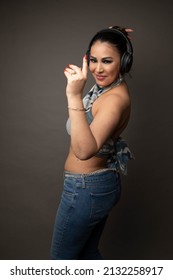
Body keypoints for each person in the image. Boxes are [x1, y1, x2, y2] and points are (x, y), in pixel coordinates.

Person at [50, 26, 134, 260]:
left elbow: (84, 150)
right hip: (94, 187)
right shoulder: (109, 87)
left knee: (61, 263)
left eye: (107, 61)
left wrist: (73, 95)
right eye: (93, 59)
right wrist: (115, 32)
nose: (98, 68)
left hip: (86, 189)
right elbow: (107, 50)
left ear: (124, 62)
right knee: (87, 255)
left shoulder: (113, 100)